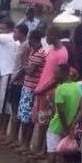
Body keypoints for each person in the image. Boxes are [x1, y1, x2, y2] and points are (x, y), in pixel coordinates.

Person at [43, 63, 82, 163]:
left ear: (65, 73)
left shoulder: (60, 89)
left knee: (51, 153)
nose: (55, 75)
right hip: (69, 125)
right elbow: (81, 108)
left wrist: (66, 127)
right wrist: (72, 124)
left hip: (56, 126)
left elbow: (59, 111)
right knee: (59, 153)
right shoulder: (77, 88)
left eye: (57, 73)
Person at [32, 26, 70, 156]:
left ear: (54, 36)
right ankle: (39, 149)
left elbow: (57, 77)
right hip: (42, 90)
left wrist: (43, 89)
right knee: (41, 122)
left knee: (45, 123)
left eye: (47, 36)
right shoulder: (51, 50)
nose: (46, 38)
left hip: (49, 92)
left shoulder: (62, 53)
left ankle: (42, 151)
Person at [16, 30, 46, 152]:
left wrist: (24, 62)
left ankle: (26, 144)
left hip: (32, 89)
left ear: (33, 39)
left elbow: (29, 71)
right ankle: (24, 142)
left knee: (27, 118)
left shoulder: (39, 53)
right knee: (24, 116)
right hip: (27, 86)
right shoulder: (34, 51)